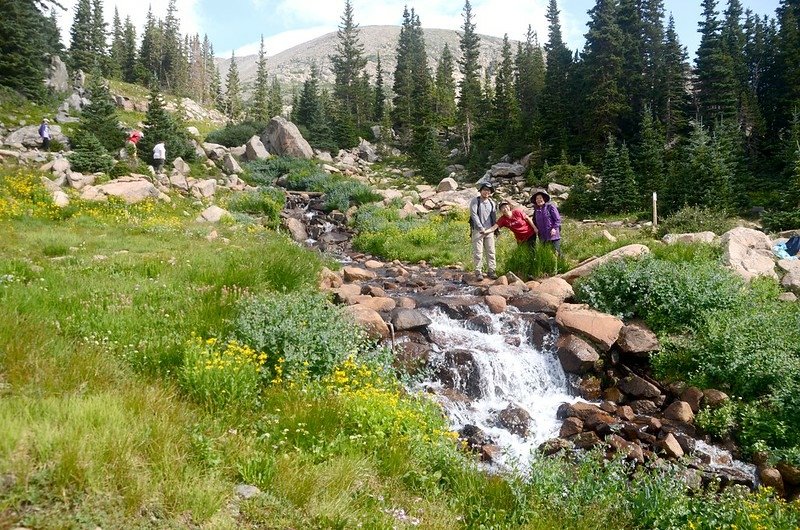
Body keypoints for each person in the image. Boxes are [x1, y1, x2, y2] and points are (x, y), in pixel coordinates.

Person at [469, 182, 498, 281]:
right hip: (478, 230)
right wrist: (481, 227)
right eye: (485, 190)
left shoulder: (492, 202)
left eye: (488, 190)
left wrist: (495, 229)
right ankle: (478, 272)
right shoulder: (475, 201)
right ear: (481, 190)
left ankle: (492, 270)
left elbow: (494, 217)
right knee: (478, 252)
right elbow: (474, 215)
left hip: (489, 230)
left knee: (491, 251)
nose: (486, 192)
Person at [531, 189, 563, 258]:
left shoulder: (550, 207)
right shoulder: (536, 210)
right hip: (542, 236)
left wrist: (554, 228)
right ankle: (550, 265)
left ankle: (563, 265)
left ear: (544, 199)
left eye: (540, 198)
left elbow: (557, 219)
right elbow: (534, 222)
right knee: (546, 253)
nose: (539, 200)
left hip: (553, 235)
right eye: (537, 199)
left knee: (557, 251)